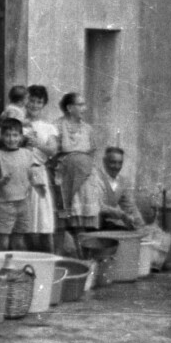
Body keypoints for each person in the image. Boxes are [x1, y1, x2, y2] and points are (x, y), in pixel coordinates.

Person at [97, 147, 171, 269]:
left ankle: (152, 263)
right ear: (104, 161)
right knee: (125, 236)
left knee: (151, 233)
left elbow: (130, 207)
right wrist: (120, 214)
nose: (116, 166)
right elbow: (97, 206)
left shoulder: (122, 182)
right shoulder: (97, 178)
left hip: (108, 223)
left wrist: (142, 226)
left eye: (119, 163)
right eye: (112, 162)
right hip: (94, 223)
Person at [53, 93, 103, 255]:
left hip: (84, 181)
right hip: (64, 178)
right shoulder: (58, 126)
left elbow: (93, 153)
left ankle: (84, 259)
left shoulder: (88, 129)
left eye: (84, 104)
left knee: (80, 222)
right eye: (80, 105)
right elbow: (53, 152)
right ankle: (57, 259)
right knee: (61, 220)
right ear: (69, 108)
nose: (84, 108)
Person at [0, 117, 38, 252]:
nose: (11, 138)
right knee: (2, 243)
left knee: (19, 243)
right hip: (4, 205)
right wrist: (1, 181)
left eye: (15, 135)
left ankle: (17, 270)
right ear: (2, 136)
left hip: (23, 203)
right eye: (7, 135)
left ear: (21, 137)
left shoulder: (27, 154)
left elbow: (31, 176)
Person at [22, 86, 59, 252]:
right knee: (24, 222)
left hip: (38, 173)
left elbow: (52, 150)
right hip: (21, 174)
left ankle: (48, 260)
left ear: (43, 104)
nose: (34, 105)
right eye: (31, 100)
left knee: (43, 221)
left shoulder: (47, 127)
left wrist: (38, 143)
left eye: (39, 102)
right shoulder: (17, 122)